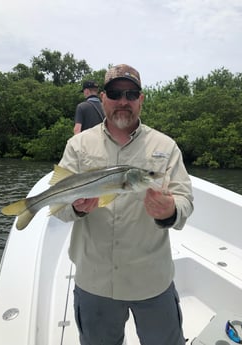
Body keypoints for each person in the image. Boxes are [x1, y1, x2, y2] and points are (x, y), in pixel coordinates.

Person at [56, 64, 194, 345]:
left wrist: (170, 212)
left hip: (151, 280)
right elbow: (58, 206)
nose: (123, 101)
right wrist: (76, 207)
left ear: (141, 99)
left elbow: (185, 200)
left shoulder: (166, 146)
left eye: (131, 94)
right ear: (102, 97)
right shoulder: (78, 146)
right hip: (94, 280)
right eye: (115, 93)